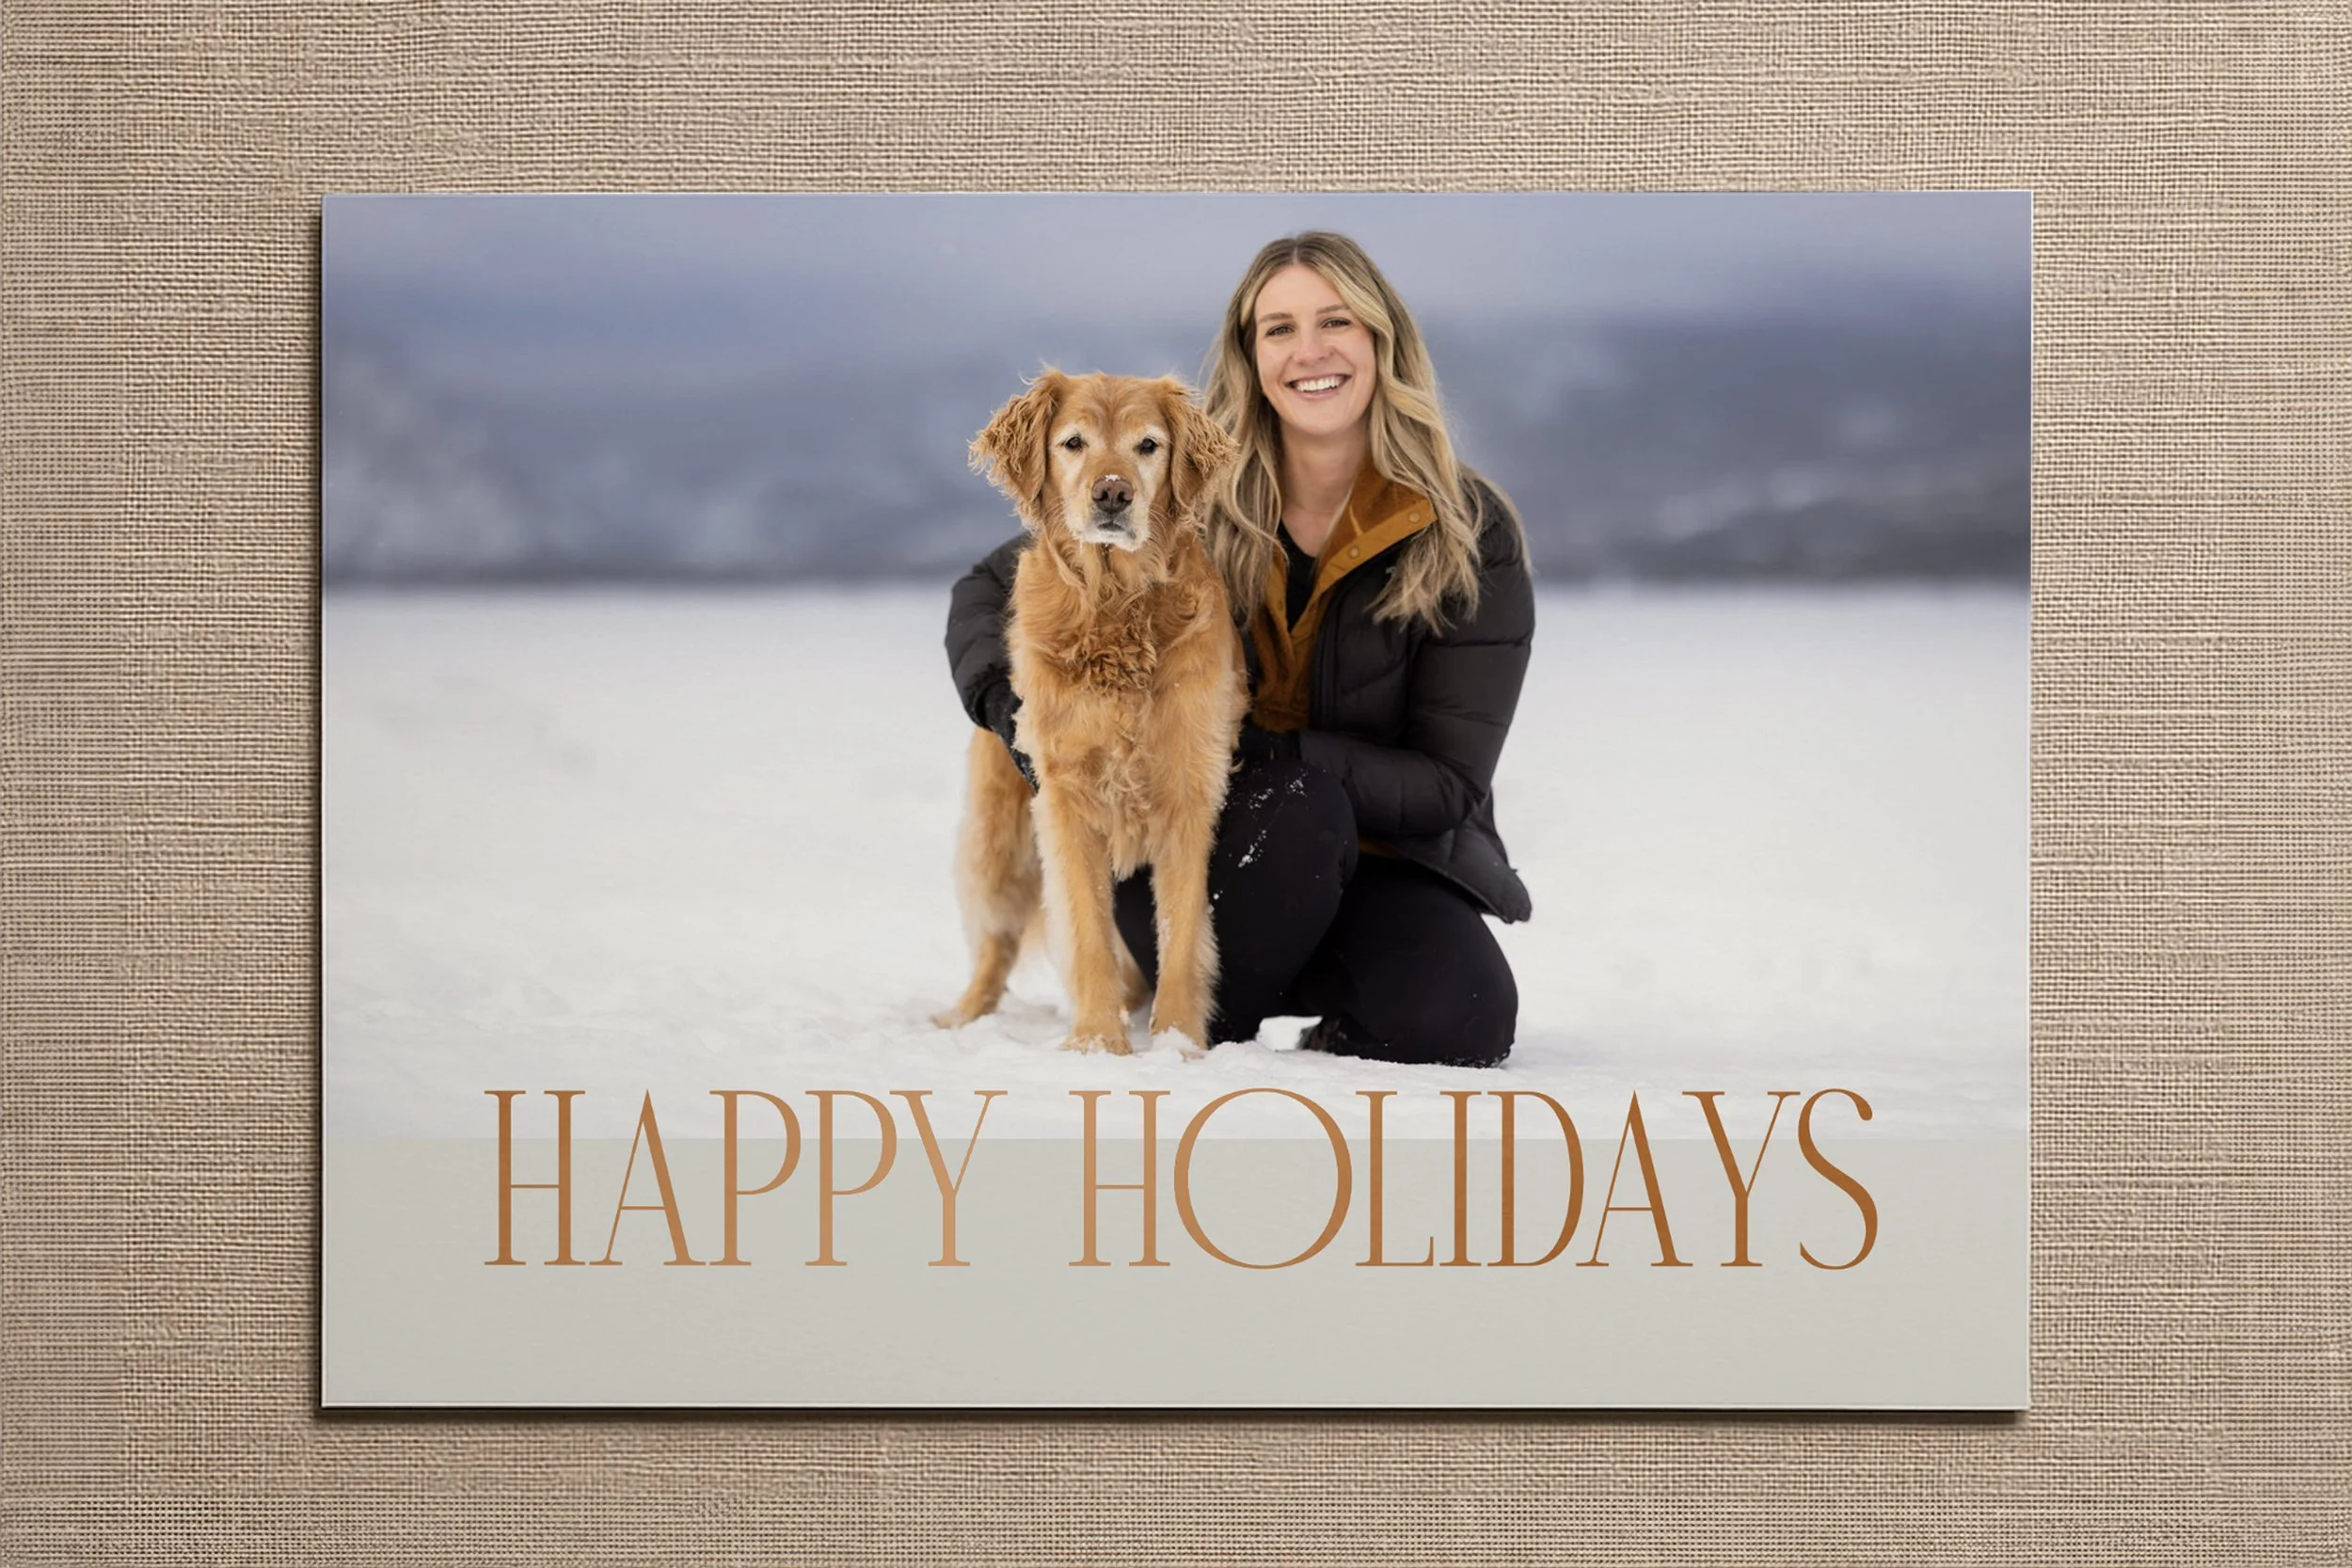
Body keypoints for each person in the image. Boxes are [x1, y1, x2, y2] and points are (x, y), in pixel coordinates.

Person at [944, 230, 1533, 1067]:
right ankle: (1197, 1020)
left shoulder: (1470, 530)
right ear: (1250, 355)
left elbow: (1449, 783)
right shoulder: (1194, 491)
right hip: (1220, 856)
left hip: (1381, 859)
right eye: (1279, 329)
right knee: (1295, 813)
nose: (1310, 351)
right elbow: (986, 587)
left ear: (1382, 339)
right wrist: (1009, 708)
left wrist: (1256, 751)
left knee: (1461, 1016)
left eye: (1338, 322)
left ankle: (1322, 1008)